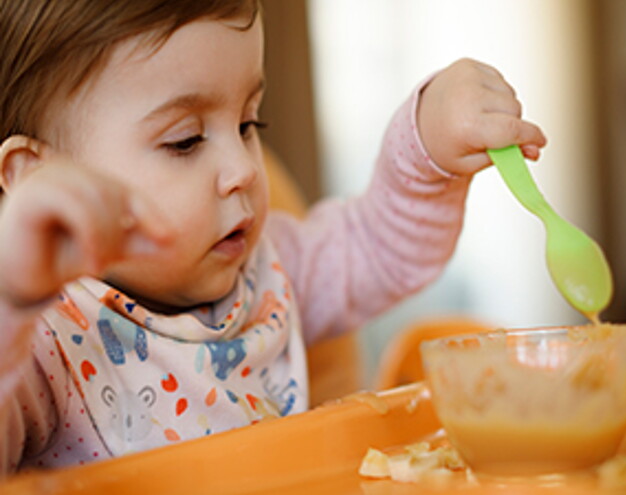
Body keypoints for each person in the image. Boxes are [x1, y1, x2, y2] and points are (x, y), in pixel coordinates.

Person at [0, 0, 545, 475]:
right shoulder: (48, 342)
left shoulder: (272, 269)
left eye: (247, 124)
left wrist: (428, 142)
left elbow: (379, 249)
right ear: (36, 182)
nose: (242, 168)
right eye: (185, 140)